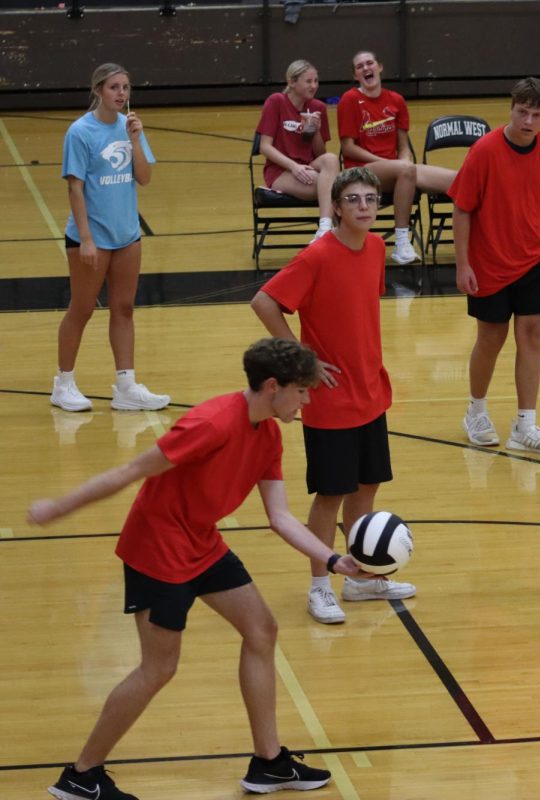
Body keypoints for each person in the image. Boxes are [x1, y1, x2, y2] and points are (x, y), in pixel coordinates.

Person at [30, 337, 363, 800]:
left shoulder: (267, 434)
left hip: (202, 543)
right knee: (158, 668)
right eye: (302, 390)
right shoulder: (209, 423)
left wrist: (333, 560)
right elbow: (131, 471)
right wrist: (58, 507)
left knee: (261, 630)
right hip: (158, 550)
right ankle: (82, 776)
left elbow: (281, 517)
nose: (307, 400)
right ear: (273, 386)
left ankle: (268, 764)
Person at [251, 167, 413, 624]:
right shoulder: (318, 256)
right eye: (354, 200)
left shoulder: (378, 248)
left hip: (370, 391)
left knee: (366, 488)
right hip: (331, 398)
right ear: (337, 207)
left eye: (371, 199)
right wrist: (303, 360)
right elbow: (264, 301)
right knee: (330, 495)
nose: (364, 207)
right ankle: (320, 585)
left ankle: (361, 577)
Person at [451, 77, 540, 455]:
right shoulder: (484, 151)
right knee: (491, 337)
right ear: (511, 109)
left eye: (537, 115)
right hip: (490, 262)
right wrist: (462, 264)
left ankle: (526, 424)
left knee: (532, 335)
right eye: (523, 112)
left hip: (537, 256)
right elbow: (462, 208)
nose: (529, 121)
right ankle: (476, 411)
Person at [52, 63, 170, 414]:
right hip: (92, 238)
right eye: (115, 87)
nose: (122, 94)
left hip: (127, 236)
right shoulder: (80, 132)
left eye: (126, 88)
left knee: (124, 308)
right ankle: (64, 383)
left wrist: (134, 139)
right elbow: (75, 187)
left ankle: (126, 386)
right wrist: (86, 239)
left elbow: (145, 177)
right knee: (82, 309)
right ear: (98, 90)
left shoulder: (129, 126)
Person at [337, 49, 457, 265]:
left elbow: (403, 146)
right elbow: (348, 148)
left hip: (395, 171)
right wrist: (395, 164)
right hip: (360, 171)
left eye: (369, 63)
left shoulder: (396, 100)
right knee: (406, 169)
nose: (366, 68)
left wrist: (403, 161)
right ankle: (402, 243)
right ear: (356, 76)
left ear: (380, 67)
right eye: (359, 66)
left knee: (459, 180)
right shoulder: (350, 99)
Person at [255, 59, 340, 242]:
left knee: (331, 159)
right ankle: (333, 233)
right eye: (308, 81)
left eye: (316, 81)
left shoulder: (318, 108)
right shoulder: (276, 101)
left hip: (308, 165)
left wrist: (315, 130)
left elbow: (320, 154)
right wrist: (294, 167)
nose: (314, 86)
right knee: (334, 188)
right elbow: (265, 147)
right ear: (292, 82)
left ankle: (325, 228)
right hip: (280, 171)